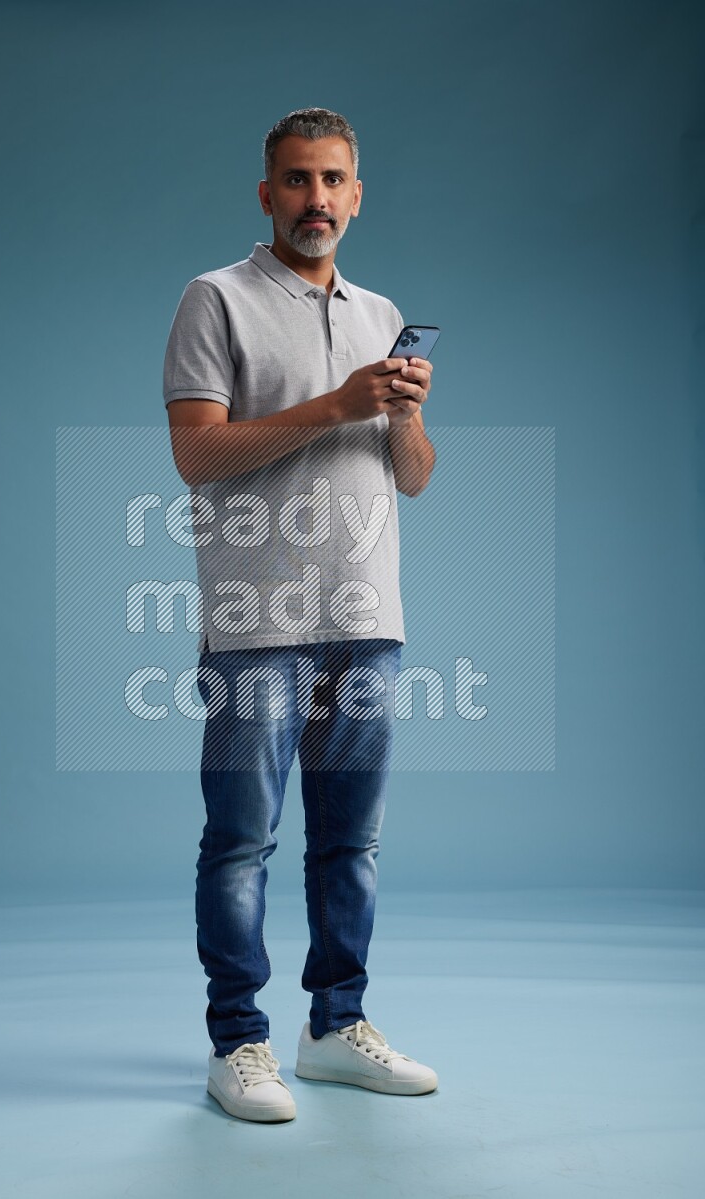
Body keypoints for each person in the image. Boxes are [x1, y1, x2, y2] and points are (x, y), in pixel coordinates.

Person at [163, 107, 438, 1123]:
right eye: (294, 179)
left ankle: (333, 1027)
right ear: (266, 193)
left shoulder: (378, 311)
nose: (314, 199)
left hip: (366, 615)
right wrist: (332, 404)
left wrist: (400, 412)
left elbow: (411, 478)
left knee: (350, 842)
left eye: (331, 180)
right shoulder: (214, 299)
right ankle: (238, 1041)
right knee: (242, 840)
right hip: (256, 619)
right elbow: (196, 453)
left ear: (355, 194)